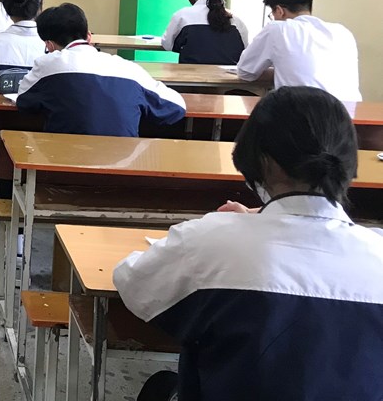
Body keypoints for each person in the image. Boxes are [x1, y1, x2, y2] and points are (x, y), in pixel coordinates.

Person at [114, 87, 383, 401]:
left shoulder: (210, 240)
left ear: (261, 159)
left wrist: (240, 226)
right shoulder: (375, 252)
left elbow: (132, 281)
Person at [16, 3, 186, 136]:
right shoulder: (129, 70)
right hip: (121, 166)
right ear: (89, 36)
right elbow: (177, 107)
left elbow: (23, 101)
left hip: (63, 163)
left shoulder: (47, 65)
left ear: (49, 45)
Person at [236, 0, 361, 106]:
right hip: (350, 115)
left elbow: (245, 72)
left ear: (279, 11)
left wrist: (279, 70)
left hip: (301, 114)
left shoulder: (278, 29)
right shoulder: (342, 32)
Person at [161, 0, 249, 64]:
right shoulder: (236, 20)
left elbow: (167, 44)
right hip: (227, 73)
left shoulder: (182, 16)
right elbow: (245, 49)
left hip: (190, 73)